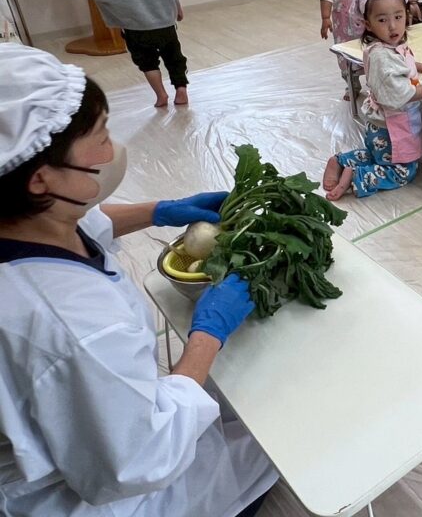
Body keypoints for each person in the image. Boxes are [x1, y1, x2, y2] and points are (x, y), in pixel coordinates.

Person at [0, 43, 277, 517]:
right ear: (41, 179)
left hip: (83, 429)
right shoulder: (73, 325)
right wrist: (206, 336)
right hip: (97, 497)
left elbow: (79, 223)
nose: (113, 150)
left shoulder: (23, 219)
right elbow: (141, 458)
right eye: (101, 137)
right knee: (272, 443)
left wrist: (159, 211)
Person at [322, 0, 422, 199]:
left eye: (398, 17)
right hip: (391, 126)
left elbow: (401, 62)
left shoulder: (387, 46)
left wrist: (421, 67)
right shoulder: (382, 56)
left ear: (406, 16)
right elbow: (400, 94)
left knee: (378, 156)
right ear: (368, 24)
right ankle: (356, 177)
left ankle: (341, 161)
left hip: (381, 125)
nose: (392, 26)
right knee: (404, 170)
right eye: (382, 20)